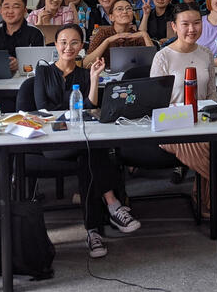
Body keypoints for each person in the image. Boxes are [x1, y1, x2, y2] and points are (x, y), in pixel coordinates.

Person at [34, 24, 140, 258]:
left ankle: (93, 231)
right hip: (52, 142)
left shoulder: (84, 74)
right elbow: (43, 109)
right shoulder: (43, 72)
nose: (68, 47)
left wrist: (94, 79)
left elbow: (91, 108)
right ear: (56, 44)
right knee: (92, 151)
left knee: (88, 156)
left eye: (74, 43)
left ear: (81, 46)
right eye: (63, 42)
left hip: (80, 140)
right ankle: (112, 203)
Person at [150, 3, 217, 241]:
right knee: (216, 152)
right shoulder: (163, 57)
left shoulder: (206, 53)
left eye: (197, 23)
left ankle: (213, 201)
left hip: (203, 119)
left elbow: (211, 96)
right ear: (174, 26)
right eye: (185, 24)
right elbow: (155, 104)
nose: (191, 29)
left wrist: (211, 117)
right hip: (173, 125)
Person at [83, 0, 152, 67]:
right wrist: (107, 41)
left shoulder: (136, 35)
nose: (125, 11)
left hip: (131, 75)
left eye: (128, 8)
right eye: (120, 9)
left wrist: (145, 35)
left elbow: (154, 64)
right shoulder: (103, 33)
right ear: (111, 17)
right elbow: (86, 63)